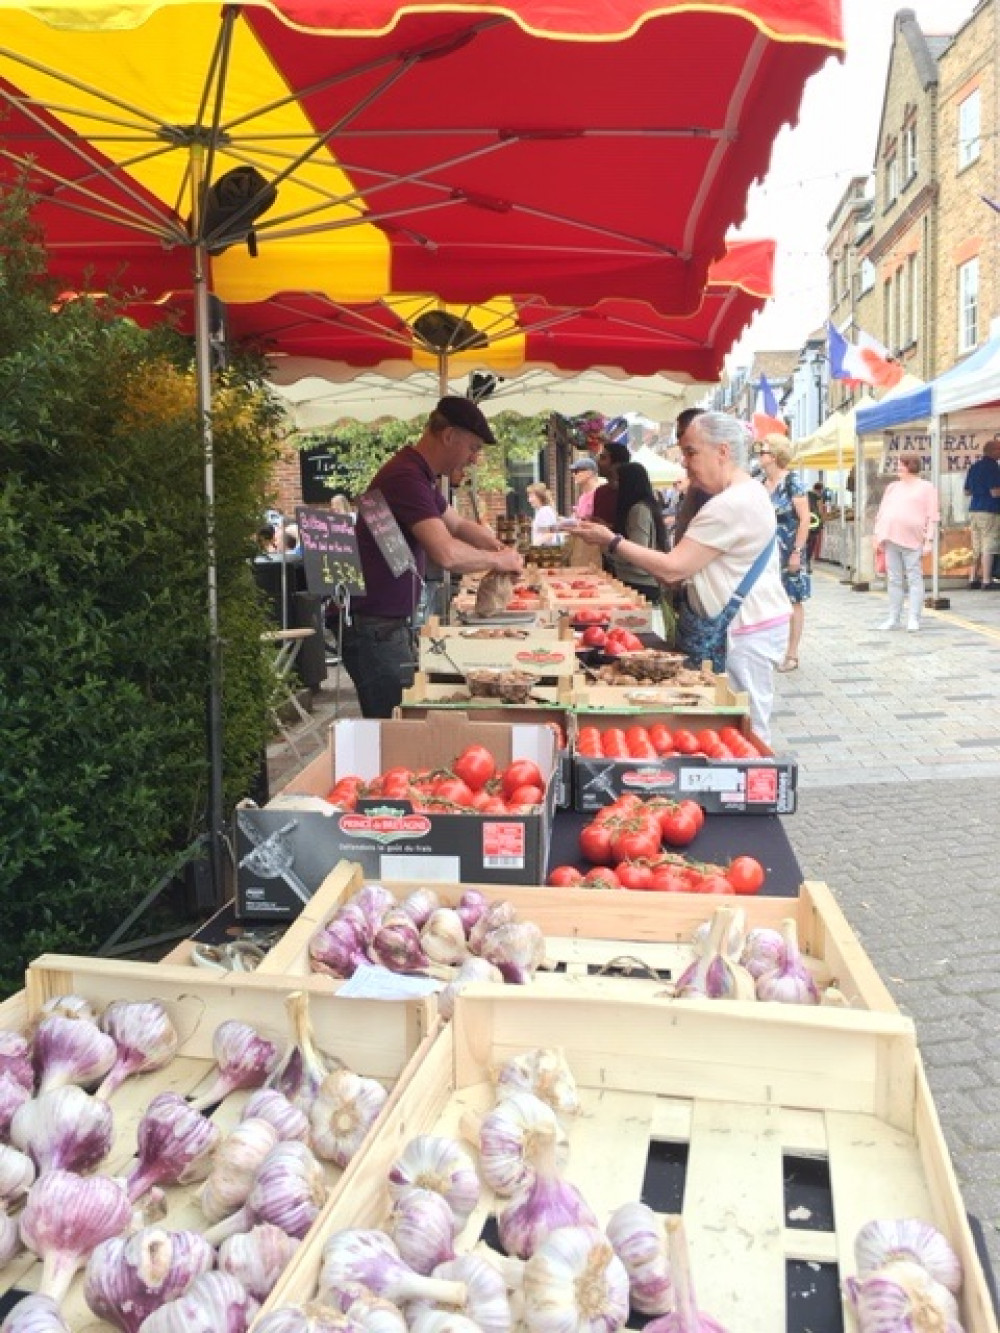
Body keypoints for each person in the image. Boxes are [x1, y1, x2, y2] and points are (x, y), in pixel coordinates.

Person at [574, 412, 791, 743]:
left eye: (691, 452)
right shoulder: (747, 492)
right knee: (739, 723)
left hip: (743, 632)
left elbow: (674, 568)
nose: (685, 464)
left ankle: (756, 788)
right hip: (751, 626)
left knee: (745, 731)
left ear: (722, 451)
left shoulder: (731, 504)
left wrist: (612, 541)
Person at [341, 396, 523, 717]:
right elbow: (447, 553)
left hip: (382, 625)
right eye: (473, 448)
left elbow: (459, 525)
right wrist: (498, 561)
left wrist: (499, 548)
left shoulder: (417, 474)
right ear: (449, 435)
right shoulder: (405, 476)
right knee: (395, 728)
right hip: (374, 627)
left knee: (400, 724)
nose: (474, 459)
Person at [758, 438, 811, 673]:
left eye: (764, 452)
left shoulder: (792, 483)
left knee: (792, 599)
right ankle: (770, 649)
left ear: (776, 455)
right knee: (766, 599)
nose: (760, 455)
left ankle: (792, 653)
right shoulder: (759, 483)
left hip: (789, 548)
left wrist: (797, 552)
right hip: (765, 551)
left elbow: (805, 519)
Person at [873, 452, 939, 633]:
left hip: (913, 539)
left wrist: (929, 540)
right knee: (893, 579)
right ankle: (893, 617)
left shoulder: (926, 487)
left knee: (914, 577)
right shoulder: (892, 487)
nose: (898, 468)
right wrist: (877, 535)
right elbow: (882, 512)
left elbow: (932, 516)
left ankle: (913, 617)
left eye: (901, 464)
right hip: (890, 537)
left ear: (911, 466)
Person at [611, 461, 667, 602]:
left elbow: (637, 551)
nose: (615, 485)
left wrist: (608, 545)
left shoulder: (639, 511)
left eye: (619, 480)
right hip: (640, 581)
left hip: (639, 583)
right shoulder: (646, 506)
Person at [963, 438, 1000, 589]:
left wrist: (979, 491)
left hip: (974, 509)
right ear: (994, 451)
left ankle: (973, 578)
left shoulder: (974, 466)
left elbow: (967, 491)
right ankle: (986, 580)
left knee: (976, 545)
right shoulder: (993, 467)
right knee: (989, 544)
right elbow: (995, 492)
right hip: (989, 509)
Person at [590, 439, 631, 528]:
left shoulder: (630, 493)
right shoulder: (600, 491)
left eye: (603, 458)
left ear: (617, 464)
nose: (597, 462)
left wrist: (607, 527)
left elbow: (633, 529)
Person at [806, 481, 827, 562]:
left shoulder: (806, 494)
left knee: (806, 541)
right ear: (820, 490)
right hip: (815, 522)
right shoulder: (818, 497)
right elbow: (820, 511)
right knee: (812, 542)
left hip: (806, 520)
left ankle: (803, 561)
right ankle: (807, 561)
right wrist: (823, 520)